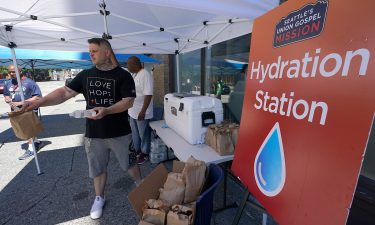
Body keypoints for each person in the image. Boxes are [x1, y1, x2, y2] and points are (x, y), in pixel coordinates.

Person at [24, 38, 142, 220]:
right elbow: (64, 93)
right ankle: (99, 198)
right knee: (97, 168)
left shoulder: (123, 75)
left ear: (107, 52)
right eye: (90, 51)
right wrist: (41, 101)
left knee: (130, 163)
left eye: (94, 50)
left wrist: (107, 110)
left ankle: (139, 185)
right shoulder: (85, 75)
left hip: (121, 133)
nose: (91, 54)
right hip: (94, 134)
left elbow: (128, 102)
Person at [3, 65, 42, 160]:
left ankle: (31, 149)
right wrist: (8, 100)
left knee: (27, 129)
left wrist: (21, 103)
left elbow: (38, 97)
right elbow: (6, 95)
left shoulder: (29, 83)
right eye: (10, 72)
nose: (11, 74)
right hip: (15, 110)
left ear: (20, 71)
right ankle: (36, 142)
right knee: (23, 128)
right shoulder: (8, 83)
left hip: (28, 109)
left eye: (13, 71)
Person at [127, 56, 153, 165]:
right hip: (132, 111)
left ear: (135, 64)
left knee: (144, 135)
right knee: (135, 134)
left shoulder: (145, 75)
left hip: (142, 113)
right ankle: (137, 151)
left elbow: (148, 95)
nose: (127, 67)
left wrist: (142, 111)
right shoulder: (135, 74)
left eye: (129, 64)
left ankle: (145, 153)